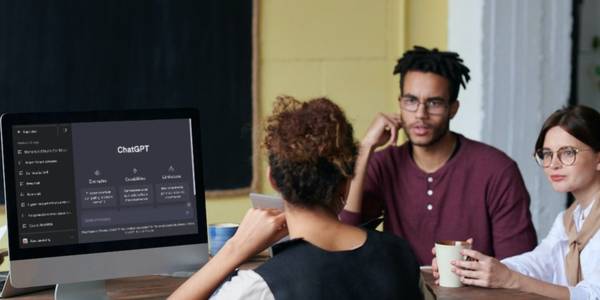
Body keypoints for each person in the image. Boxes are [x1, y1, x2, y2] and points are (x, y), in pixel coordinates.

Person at [170, 96, 424, 300]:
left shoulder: (261, 287)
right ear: (347, 180)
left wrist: (234, 249)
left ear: (273, 179)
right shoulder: (402, 255)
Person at [339, 46, 537, 265]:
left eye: (434, 103)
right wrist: (366, 148)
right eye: (411, 101)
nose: (420, 114)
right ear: (400, 104)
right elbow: (344, 236)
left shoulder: (497, 170)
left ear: (453, 108)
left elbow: (519, 268)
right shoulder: (384, 164)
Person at [434, 105, 600, 299]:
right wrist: (476, 268)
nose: (554, 163)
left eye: (568, 152)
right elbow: (539, 262)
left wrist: (511, 279)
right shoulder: (569, 219)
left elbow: (593, 295)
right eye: (547, 154)